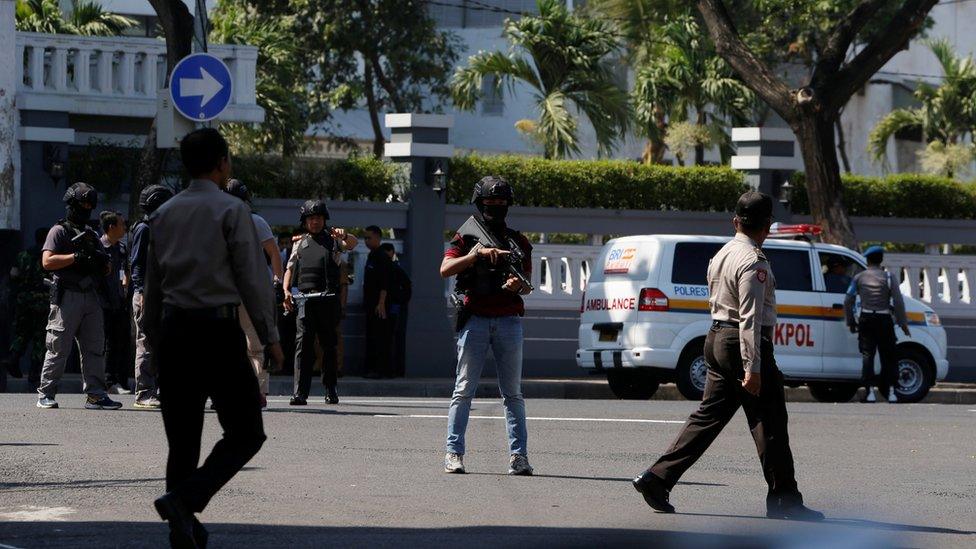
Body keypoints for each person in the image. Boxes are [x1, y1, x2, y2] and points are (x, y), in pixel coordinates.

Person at [632, 191, 823, 521]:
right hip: (742, 343)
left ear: (735, 222)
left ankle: (657, 478)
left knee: (708, 418)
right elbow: (750, 316)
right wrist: (753, 366)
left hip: (717, 336)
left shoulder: (721, 255)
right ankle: (784, 501)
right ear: (767, 225)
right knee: (771, 421)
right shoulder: (754, 261)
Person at [145, 128, 283, 548]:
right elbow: (253, 279)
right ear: (223, 162)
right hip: (218, 332)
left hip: (174, 332)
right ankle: (185, 500)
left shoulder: (162, 214)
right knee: (246, 432)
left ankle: (182, 528)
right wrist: (270, 335)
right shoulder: (232, 210)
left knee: (182, 440)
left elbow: (153, 287)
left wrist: (152, 340)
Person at [440, 176, 534, 476]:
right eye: (490, 203)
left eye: (501, 203)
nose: (496, 207)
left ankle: (519, 457)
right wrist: (475, 255)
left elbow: (527, 286)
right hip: (476, 320)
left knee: (513, 394)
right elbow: (445, 269)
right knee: (464, 390)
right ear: (479, 204)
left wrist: (517, 284)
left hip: (508, 320)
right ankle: (453, 453)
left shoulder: (518, 242)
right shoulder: (466, 237)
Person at [35, 182, 122, 410]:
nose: (86, 208)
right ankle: (46, 393)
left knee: (94, 347)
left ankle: (95, 394)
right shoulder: (59, 231)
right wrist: (75, 257)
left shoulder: (91, 234)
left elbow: (107, 268)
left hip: (90, 296)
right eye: (82, 204)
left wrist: (102, 263)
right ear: (72, 204)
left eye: (89, 205)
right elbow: (47, 261)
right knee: (58, 347)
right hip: (67, 297)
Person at [283, 200, 357, 405]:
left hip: (328, 300)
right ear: (305, 221)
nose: (315, 221)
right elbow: (289, 268)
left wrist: (344, 235)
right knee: (303, 347)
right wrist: (285, 290)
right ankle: (300, 393)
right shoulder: (299, 243)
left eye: (318, 218)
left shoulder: (334, 241)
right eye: (310, 218)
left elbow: (353, 244)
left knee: (329, 347)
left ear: (324, 220)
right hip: (305, 300)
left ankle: (330, 390)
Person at [225, 179, 284, 409]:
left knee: (252, 345)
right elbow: (275, 254)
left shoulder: (253, 222)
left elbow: (274, 253)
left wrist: (277, 282)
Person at [844, 246, 909, 404]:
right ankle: (892, 392)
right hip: (884, 319)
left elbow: (848, 299)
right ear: (881, 260)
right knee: (889, 356)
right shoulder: (889, 277)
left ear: (867, 260)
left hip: (866, 319)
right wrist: (903, 323)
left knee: (868, 355)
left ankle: (869, 392)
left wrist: (851, 321)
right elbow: (898, 302)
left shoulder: (859, 277)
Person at [130, 184, 174, 409]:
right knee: (146, 344)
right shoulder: (144, 229)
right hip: (147, 296)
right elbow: (136, 265)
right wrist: (143, 293)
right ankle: (144, 393)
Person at [3, 227, 50, 390]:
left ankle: (13, 358)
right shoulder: (48, 256)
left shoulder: (23, 255)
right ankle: (34, 375)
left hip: (24, 301)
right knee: (39, 338)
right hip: (43, 301)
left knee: (22, 333)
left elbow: (13, 275)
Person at [99, 211, 132, 395]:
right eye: (122, 224)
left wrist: (124, 286)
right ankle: (107, 381)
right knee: (105, 343)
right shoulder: (99, 247)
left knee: (120, 342)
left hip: (119, 301)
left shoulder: (121, 248)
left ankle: (119, 380)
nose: (125, 228)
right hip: (102, 303)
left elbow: (124, 270)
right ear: (111, 227)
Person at [362, 225, 394, 378]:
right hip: (370, 305)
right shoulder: (371, 256)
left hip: (378, 306)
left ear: (378, 237)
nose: (366, 241)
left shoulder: (381, 257)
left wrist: (381, 303)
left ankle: (379, 370)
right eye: (365, 238)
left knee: (379, 338)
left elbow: (385, 283)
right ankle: (371, 369)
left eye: (369, 237)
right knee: (371, 336)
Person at [380, 243, 411, 377]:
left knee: (393, 339)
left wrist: (399, 301)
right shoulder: (391, 267)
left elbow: (406, 287)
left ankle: (393, 369)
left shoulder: (394, 268)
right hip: (393, 307)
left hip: (395, 308)